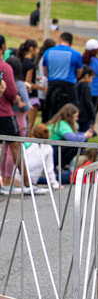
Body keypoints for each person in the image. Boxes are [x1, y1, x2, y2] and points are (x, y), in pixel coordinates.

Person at [0, 48, 26, 195]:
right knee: (15, 146)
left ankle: (5, 182)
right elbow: (11, 92)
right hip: (4, 112)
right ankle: (27, 183)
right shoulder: (5, 67)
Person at [45, 103, 94, 178]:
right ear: (70, 116)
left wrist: (85, 134)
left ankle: (61, 166)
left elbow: (74, 135)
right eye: (76, 116)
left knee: (78, 142)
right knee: (76, 145)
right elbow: (73, 138)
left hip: (51, 149)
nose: (77, 119)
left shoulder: (59, 122)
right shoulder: (62, 124)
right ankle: (62, 165)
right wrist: (85, 136)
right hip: (52, 151)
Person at [42, 31, 82, 122]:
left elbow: (45, 72)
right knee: (69, 115)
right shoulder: (76, 54)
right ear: (71, 43)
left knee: (50, 114)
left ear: (60, 39)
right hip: (68, 87)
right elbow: (79, 74)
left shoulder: (48, 52)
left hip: (52, 86)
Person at [19, 124, 61, 190]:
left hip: (18, 176)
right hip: (32, 179)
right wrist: (55, 184)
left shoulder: (26, 143)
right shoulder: (48, 148)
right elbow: (49, 169)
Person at [75, 67, 97, 132]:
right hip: (85, 116)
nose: (92, 81)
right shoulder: (86, 87)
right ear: (87, 76)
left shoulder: (76, 85)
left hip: (77, 114)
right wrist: (93, 116)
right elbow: (88, 102)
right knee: (84, 134)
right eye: (92, 78)